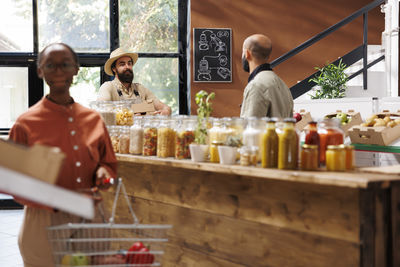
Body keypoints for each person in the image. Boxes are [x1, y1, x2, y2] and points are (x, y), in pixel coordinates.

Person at [9, 43, 117, 267]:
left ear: (76, 69)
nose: (58, 71)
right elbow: (11, 182)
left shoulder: (94, 120)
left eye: (65, 64)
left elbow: (108, 164)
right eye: (50, 65)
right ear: (40, 71)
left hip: (91, 217)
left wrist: (103, 172)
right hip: (42, 222)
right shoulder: (25, 123)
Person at [97, 47, 171, 115]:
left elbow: (164, 107)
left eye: (129, 63)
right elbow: (103, 110)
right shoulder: (107, 87)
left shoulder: (140, 89)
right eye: (122, 64)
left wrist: (166, 111)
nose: (127, 67)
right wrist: (133, 114)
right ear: (114, 69)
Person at [240, 34, 294, 118]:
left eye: (242, 52)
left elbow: (250, 127)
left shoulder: (256, 85)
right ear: (268, 56)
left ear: (247, 53)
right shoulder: (283, 84)